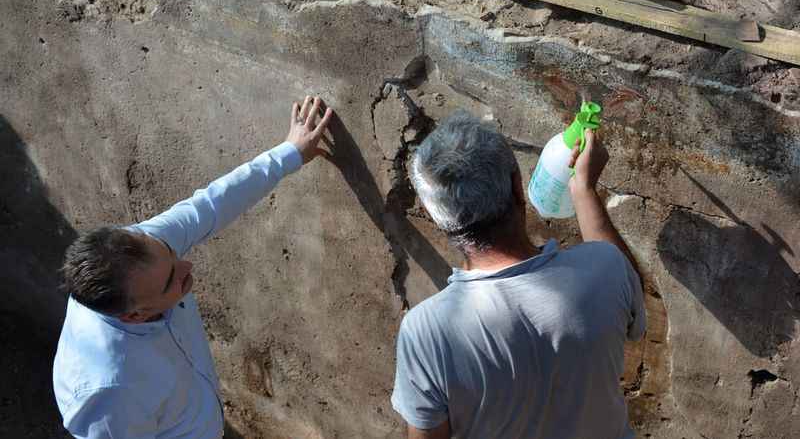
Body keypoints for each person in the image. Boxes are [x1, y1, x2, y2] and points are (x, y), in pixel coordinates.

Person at [53, 96, 333, 439]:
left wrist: (290, 152)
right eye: (172, 279)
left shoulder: (142, 251)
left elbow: (210, 205)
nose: (186, 265)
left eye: (171, 254)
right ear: (135, 316)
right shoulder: (109, 391)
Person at [391, 112, 646, 439]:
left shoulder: (426, 332)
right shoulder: (605, 269)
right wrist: (583, 189)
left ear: (438, 217)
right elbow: (628, 294)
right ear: (517, 185)